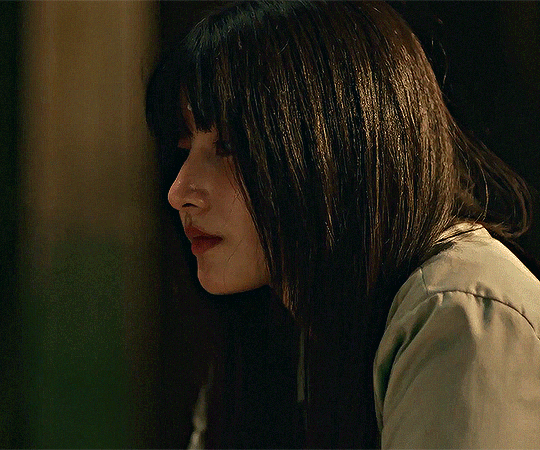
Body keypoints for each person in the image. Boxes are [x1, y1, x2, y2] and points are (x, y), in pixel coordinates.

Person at [146, 1, 540, 448]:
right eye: (186, 150)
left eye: (230, 146)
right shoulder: (274, 336)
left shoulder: (458, 313)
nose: (179, 192)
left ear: (335, 146)